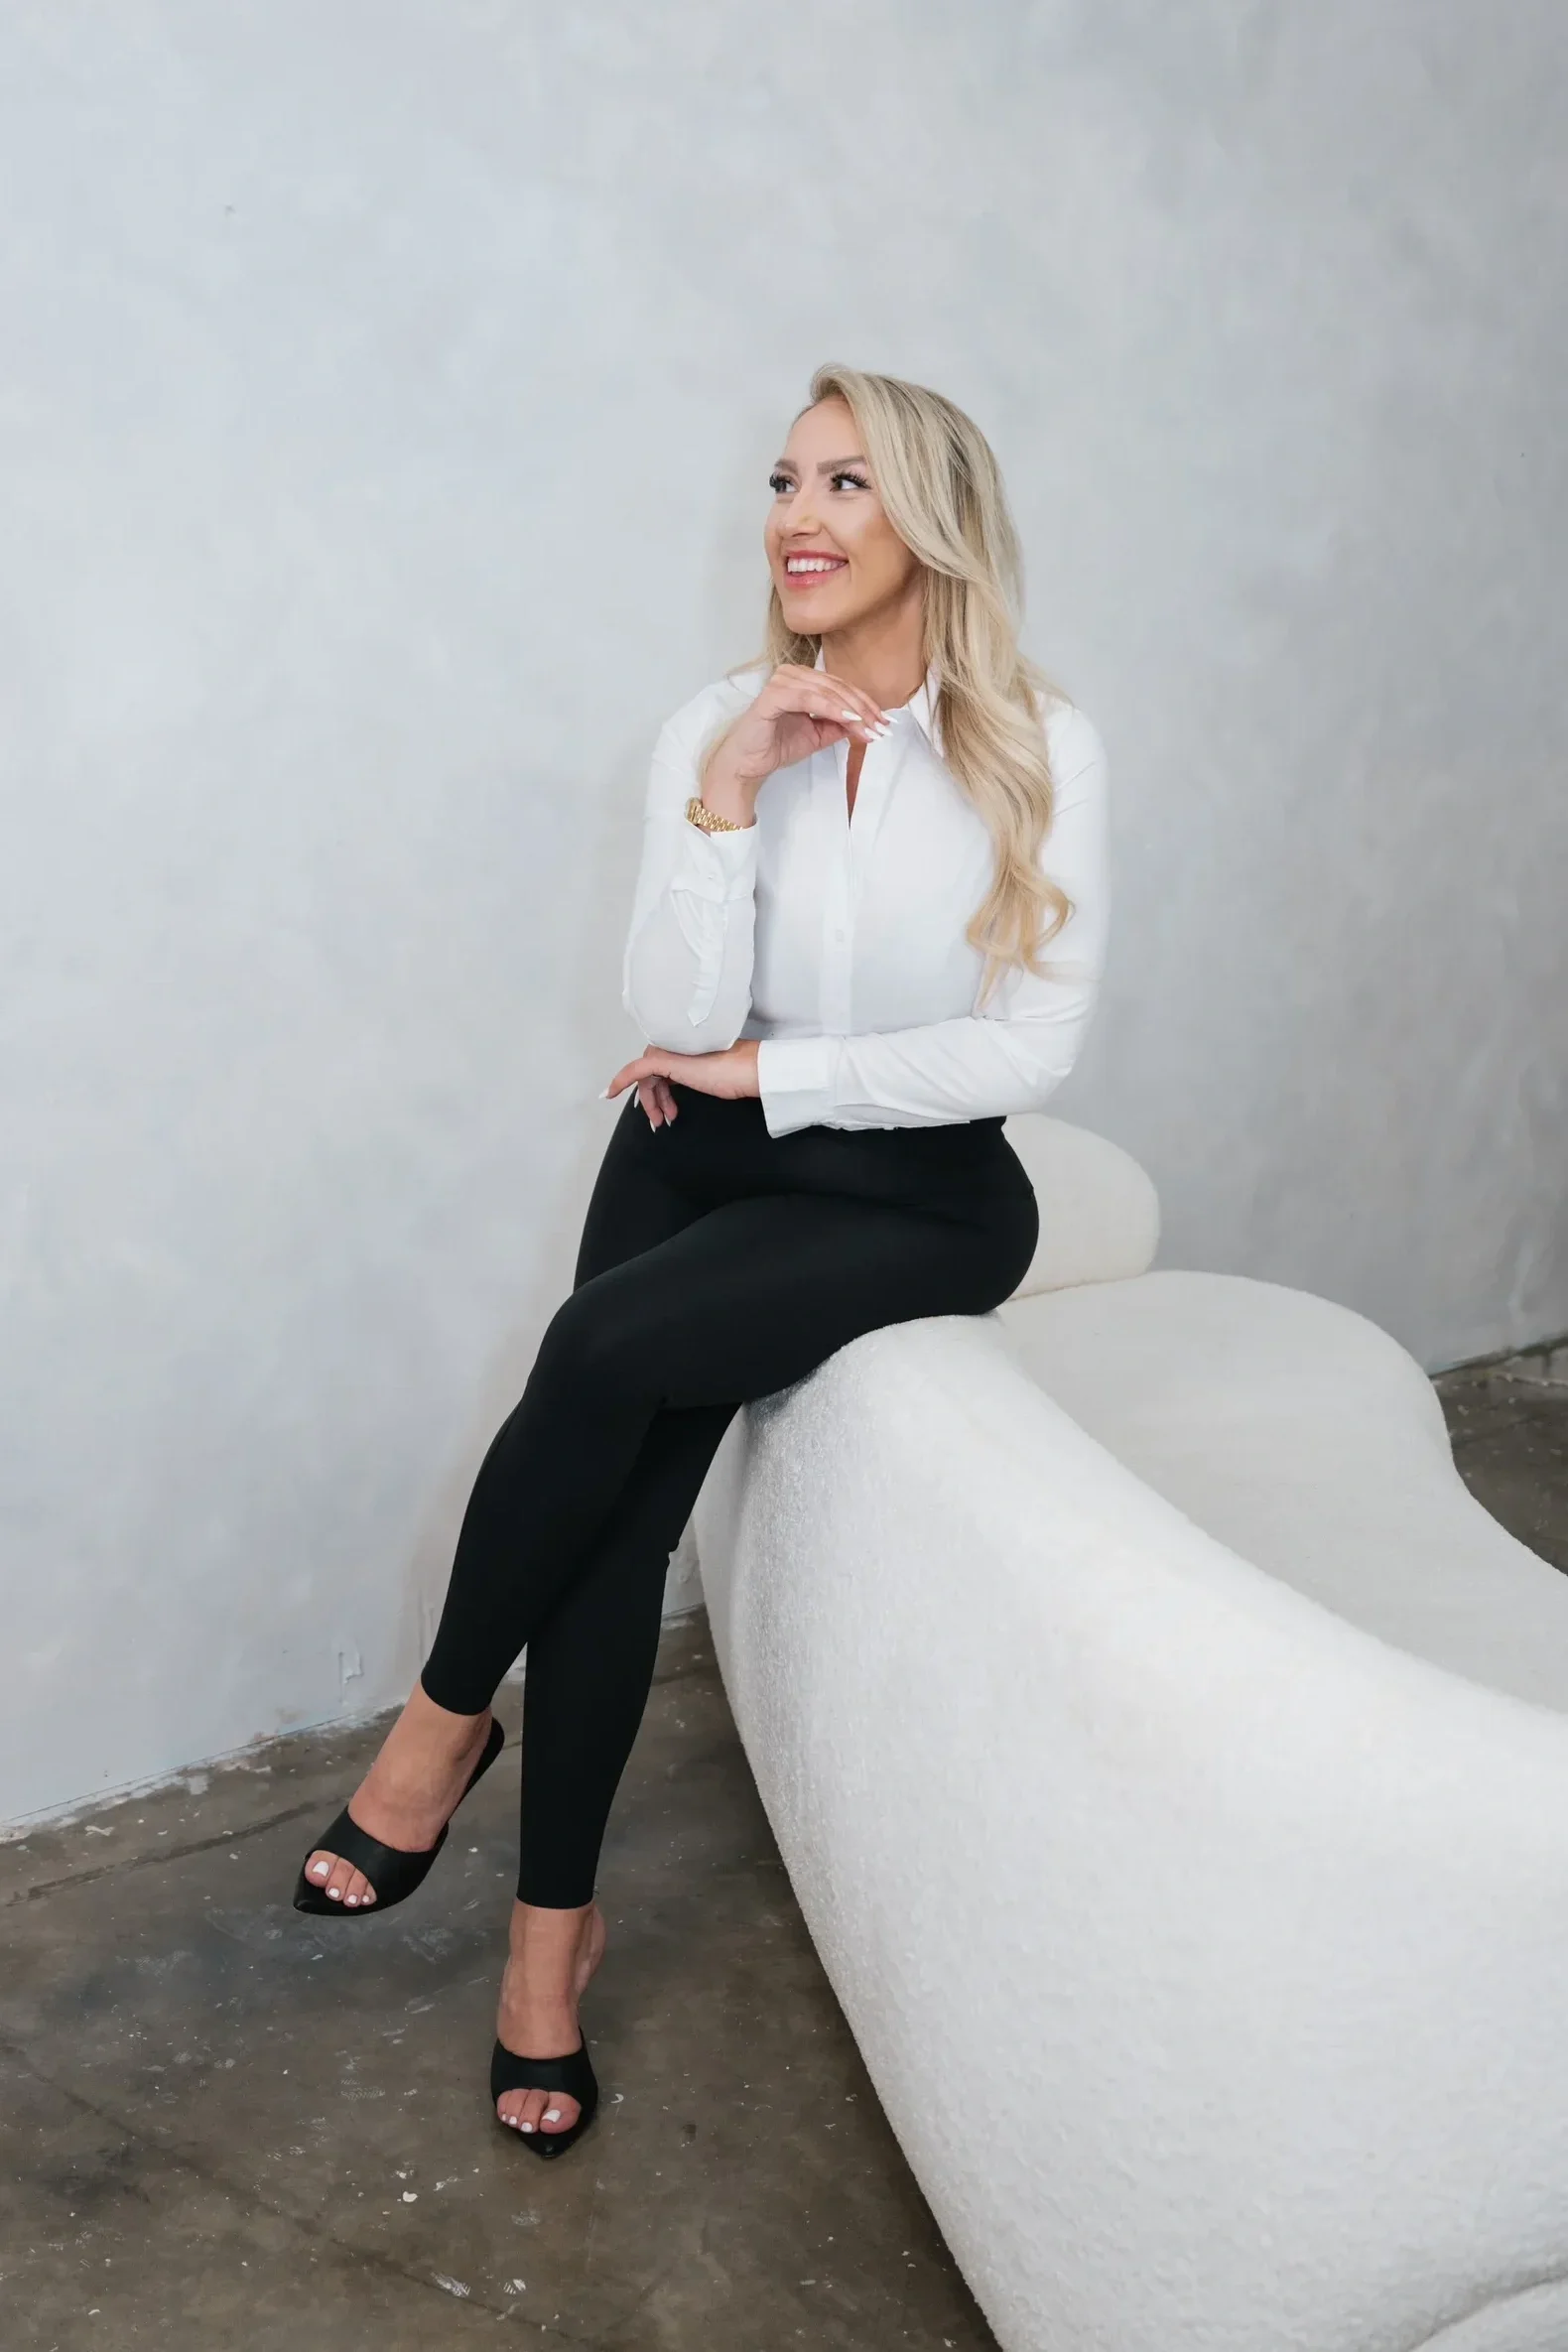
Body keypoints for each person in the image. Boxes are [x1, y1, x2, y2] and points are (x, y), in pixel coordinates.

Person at [292, 363, 1111, 2159]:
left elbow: (1027, 1051)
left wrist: (773, 1076)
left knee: (594, 1354)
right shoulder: (712, 725)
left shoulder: (1040, 743)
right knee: (616, 1517)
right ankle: (547, 1952)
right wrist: (733, 793)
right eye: (785, 482)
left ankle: (436, 1730)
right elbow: (668, 1011)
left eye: (847, 483)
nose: (797, 517)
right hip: (698, 1139)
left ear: (936, 522)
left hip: (924, 1188)